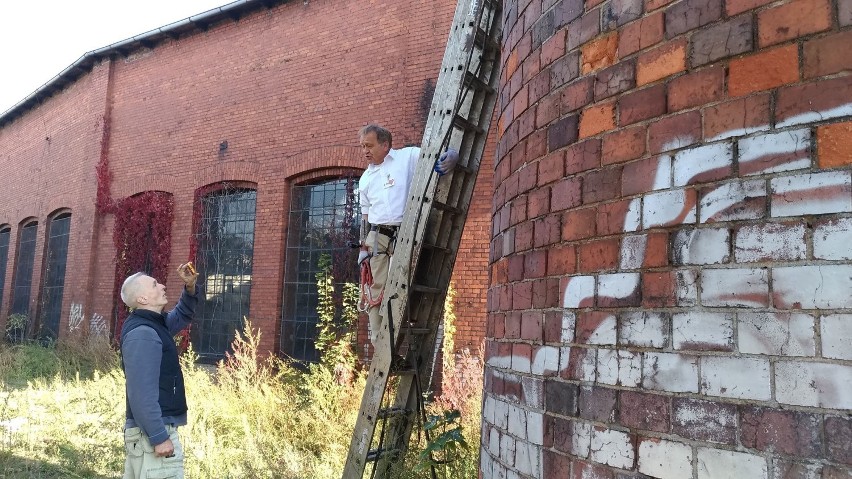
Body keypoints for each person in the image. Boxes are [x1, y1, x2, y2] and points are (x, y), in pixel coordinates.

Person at [357, 123, 458, 345]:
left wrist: (451, 154)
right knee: (375, 287)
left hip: (405, 231)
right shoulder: (365, 178)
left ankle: (399, 332)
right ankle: (378, 339)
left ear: (385, 145)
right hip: (377, 236)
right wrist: (363, 247)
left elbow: (436, 153)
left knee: (405, 282)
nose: (365, 150)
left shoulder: (407, 158)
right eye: (362, 146)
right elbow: (365, 216)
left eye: (369, 145)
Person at [119, 263, 199, 479]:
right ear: (142, 299)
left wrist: (190, 287)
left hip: (152, 431)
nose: (162, 286)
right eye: (154, 285)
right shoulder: (143, 333)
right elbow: (141, 394)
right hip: (152, 434)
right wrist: (158, 436)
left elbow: (182, 315)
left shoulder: (155, 324)